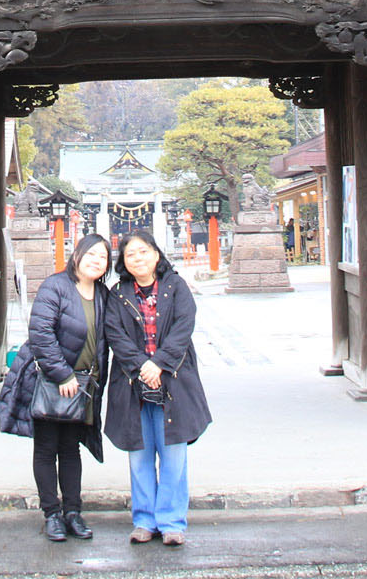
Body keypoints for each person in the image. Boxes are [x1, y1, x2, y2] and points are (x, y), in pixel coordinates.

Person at [0, 233, 110, 542]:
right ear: (77, 256)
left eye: (103, 257)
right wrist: (62, 375)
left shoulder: (102, 294)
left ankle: (73, 512)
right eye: (92, 254)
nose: (97, 261)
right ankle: (52, 514)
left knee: (71, 450)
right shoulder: (55, 287)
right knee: (46, 449)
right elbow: (41, 333)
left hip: (84, 386)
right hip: (51, 382)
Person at [104, 230, 211, 547]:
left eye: (143, 251)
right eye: (130, 254)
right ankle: (144, 520)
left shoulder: (176, 286)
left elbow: (184, 325)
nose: (137, 258)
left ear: (156, 254)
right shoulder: (118, 293)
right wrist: (141, 367)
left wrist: (159, 363)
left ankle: (172, 520)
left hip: (174, 379)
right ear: (123, 262)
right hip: (132, 383)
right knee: (139, 454)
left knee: (174, 454)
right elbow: (115, 334)